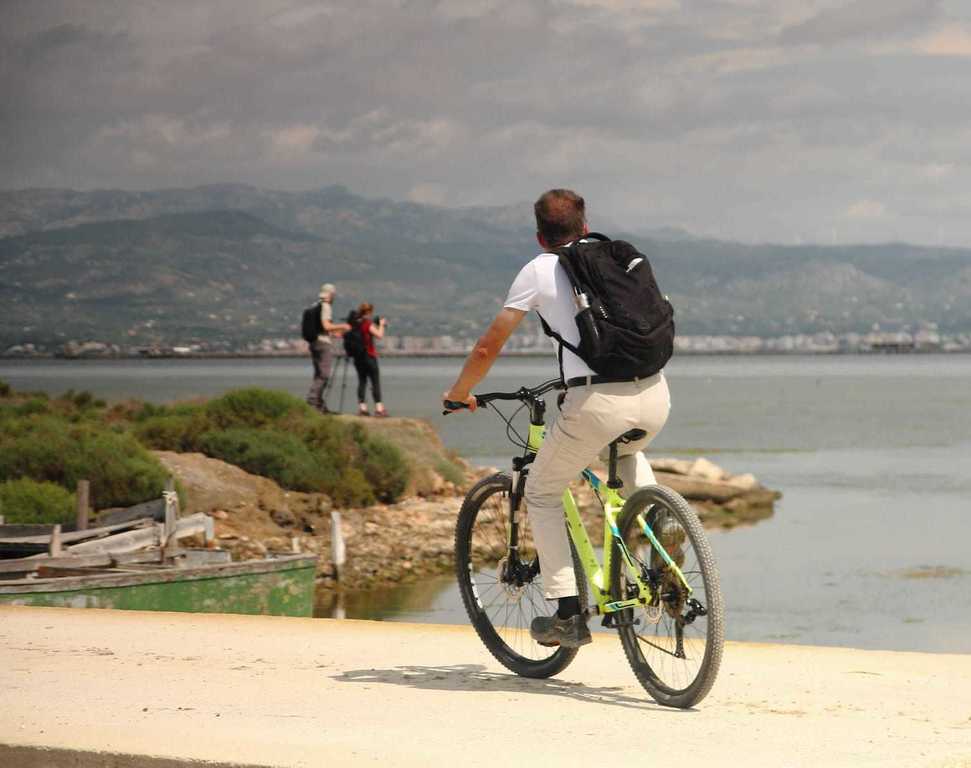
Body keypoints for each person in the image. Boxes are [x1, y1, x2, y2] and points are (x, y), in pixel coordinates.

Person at [443, 189, 671, 648]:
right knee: (626, 454)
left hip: (596, 401)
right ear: (585, 226)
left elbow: (488, 346)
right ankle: (661, 535)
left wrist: (459, 393)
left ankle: (568, 614)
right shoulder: (617, 258)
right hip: (655, 393)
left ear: (539, 236)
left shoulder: (539, 269)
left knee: (542, 491)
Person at [306, 283, 350, 414]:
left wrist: (335, 333)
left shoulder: (315, 306)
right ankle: (312, 402)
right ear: (331, 295)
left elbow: (322, 328)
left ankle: (319, 405)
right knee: (324, 375)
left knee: (318, 374)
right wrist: (344, 326)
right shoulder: (326, 307)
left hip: (314, 342)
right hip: (322, 344)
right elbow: (326, 326)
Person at [352, 303, 389, 417]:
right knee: (375, 382)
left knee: (362, 382)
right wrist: (382, 325)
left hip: (358, 358)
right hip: (369, 356)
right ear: (369, 312)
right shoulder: (367, 324)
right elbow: (379, 335)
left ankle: (362, 408)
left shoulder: (356, 323)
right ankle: (379, 409)